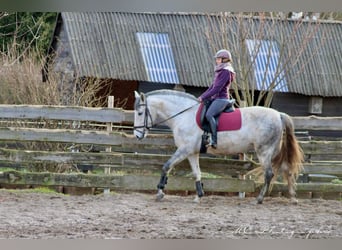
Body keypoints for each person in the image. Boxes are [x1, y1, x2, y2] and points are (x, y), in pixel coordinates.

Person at [198, 49, 235, 149]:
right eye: (217, 59)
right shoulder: (220, 70)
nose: (217, 61)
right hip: (216, 98)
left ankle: (214, 140)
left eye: (218, 59)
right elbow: (212, 87)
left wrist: (204, 97)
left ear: (224, 59)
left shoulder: (226, 71)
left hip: (221, 98)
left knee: (209, 114)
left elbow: (217, 88)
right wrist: (202, 96)